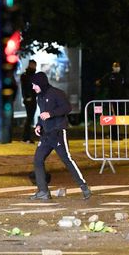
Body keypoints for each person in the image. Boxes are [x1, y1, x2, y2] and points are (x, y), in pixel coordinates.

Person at [29, 71, 91, 200]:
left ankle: (83, 186)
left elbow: (67, 108)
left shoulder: (56, 93)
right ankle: (43, 191)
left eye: (35, 85)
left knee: (67, 160)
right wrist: (39, 125)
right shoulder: (39, 96)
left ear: (41, 83)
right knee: (38, 160)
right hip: (46, 135)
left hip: (58, 133)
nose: (33, 87)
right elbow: (42, 114)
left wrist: (51, 114)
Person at [20, 60, 38, 143]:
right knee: (29, 118)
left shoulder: (27, 75)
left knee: (29, 118)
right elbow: (26, 88)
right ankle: (26, 137)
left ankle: (26, 137)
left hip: (31, 98)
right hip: (30, 98)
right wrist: (27, 96)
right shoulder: (27, 76)